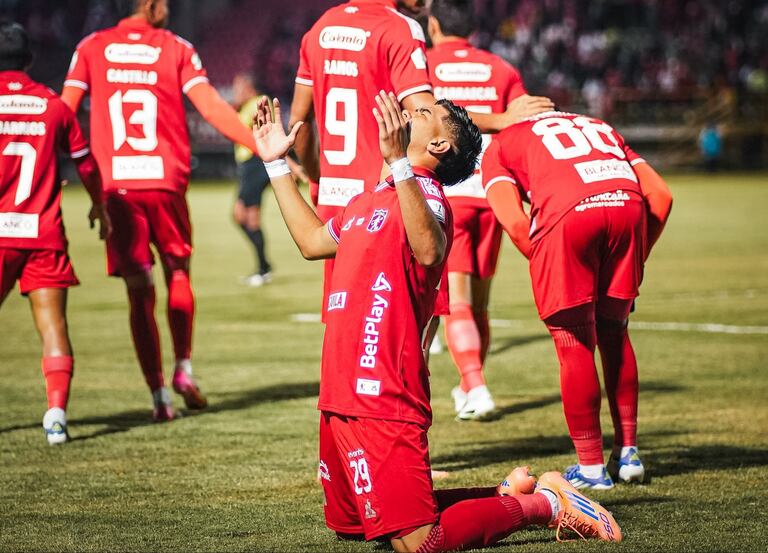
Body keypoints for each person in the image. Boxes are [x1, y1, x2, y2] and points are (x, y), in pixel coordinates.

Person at [255, 90, 622, 550]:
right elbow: (311, 241)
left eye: (426, 112)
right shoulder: (372, 199)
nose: (413, 110)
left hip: (384, 393)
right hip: (339, 390)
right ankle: (503, 496)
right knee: (352, 526)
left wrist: (398, 164)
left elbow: (428, 248)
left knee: (421, 543)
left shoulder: (428, 197)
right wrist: (274, 164)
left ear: (438, 147)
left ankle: (546, 505)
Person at [288, 0, 553, 319]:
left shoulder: (320, 28)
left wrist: (319, 177)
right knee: (406, 326)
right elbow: (428, 113)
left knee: (348, 324)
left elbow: (299, 122)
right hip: (388, 197)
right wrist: (500, 120)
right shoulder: (399, 27)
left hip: (337, 200)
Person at [60, 0, 261, 420]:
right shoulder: (176, 47)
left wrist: (69, 160)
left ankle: (158, 398)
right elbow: (211, 108)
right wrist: (259, 142)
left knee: (139, 292)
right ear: (149, 5)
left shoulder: (92, 47)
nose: (168, 9)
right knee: (180, 272)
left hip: (118, 188)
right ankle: (184, 368)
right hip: (166, 180)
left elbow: (64, 112)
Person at [482, 109, 673, 489]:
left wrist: (548, 264)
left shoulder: (499, 144)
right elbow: (662, 196)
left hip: (568, 216)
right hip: (626, 210)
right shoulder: (600, 124)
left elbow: (515, 221)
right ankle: (629, 453)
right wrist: (636, 257)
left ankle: (591, 469)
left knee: (573, 342)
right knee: (615, 332)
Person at [0, 21, 110, 444]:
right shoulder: (52, 104)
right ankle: (56, 419)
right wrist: (100, 205)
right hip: (41, 234)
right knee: (53, 327)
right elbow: (85, 164)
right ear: (29, 59)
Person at [427, 0, 529, 420]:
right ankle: (471, 384)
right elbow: (522, 124)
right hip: (493, 191)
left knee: (458, 302)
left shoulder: (424, 65)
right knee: (480, 303)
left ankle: (476, 385)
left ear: (433, 25)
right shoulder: (500, 68)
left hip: (448, 195)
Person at [231, 73, 307, 287]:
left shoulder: (258, 103)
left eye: (239, 87)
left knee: (249, 217)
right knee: (239, 216)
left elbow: (264, 137)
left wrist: (289, 163)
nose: (236, 92)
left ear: (249, 87)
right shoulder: (245, 106)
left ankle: (263, 270)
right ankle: (264, 266)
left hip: (256, 164)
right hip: (248, 167)